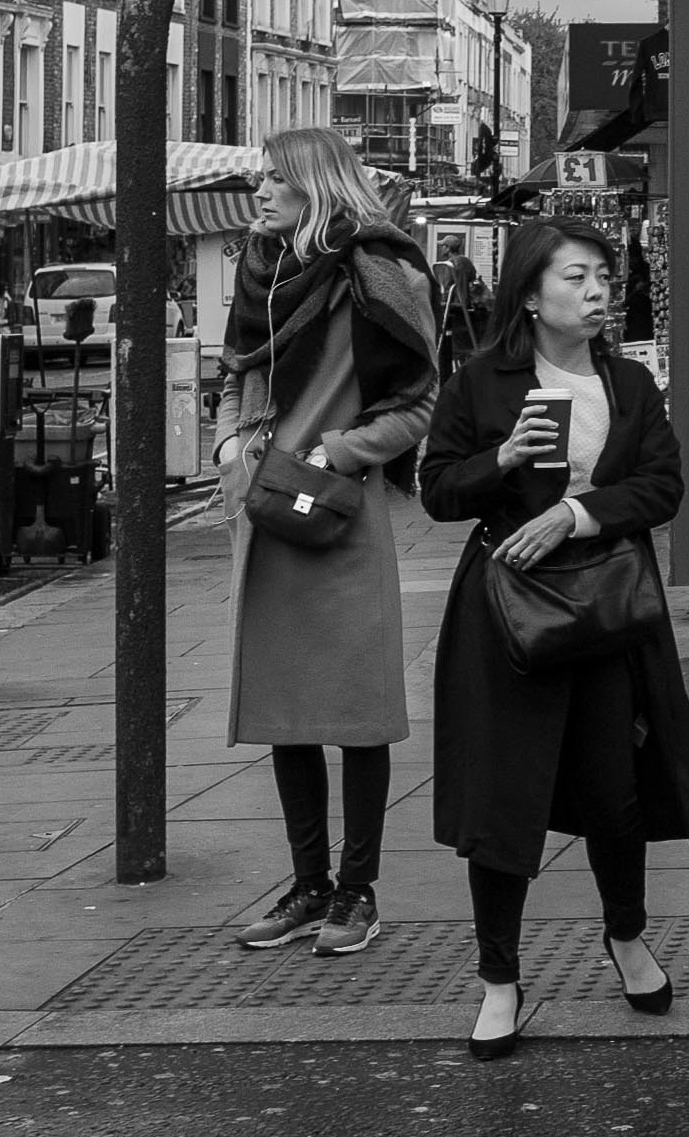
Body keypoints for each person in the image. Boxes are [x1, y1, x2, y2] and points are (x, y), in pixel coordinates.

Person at [420, 217, 689, 1062]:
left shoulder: (629, 385)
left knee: (614, 793)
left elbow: (664, 486)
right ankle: (499, 982)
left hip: (608, 611)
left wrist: (576, 512)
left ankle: (626, 936)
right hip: (509, 619)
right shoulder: (482, 383)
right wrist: (504, 460)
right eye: (577, 279)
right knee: (502, 806)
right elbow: (437, 490)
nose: (596, 294)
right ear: (529, 294)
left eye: (603, 279)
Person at [214, 128, 440, 959]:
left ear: (318, 184)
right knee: (287, 710)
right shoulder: (261, 270)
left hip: (340, 517)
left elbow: (421, 402)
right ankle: (309, 887)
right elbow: (239, 371)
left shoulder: (380, 267)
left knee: (357, 713)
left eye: (277, 178)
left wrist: (337, 452)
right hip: (269, 516)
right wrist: (229, 445)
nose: (261, 191)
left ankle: (358, 890)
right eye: (260, 177)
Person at [434, 234, 486, 376]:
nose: (441, 250)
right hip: (468, 310)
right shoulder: (467, 262)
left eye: (443, 246)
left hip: (454, 309)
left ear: (448, 248)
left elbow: (447, 287)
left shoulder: (449, 265)